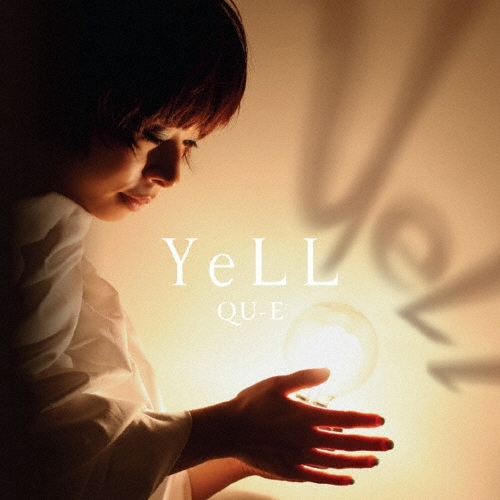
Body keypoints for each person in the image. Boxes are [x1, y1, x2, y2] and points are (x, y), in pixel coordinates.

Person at [8, 1, 393, 499]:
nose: (170, 173)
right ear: (61, 95)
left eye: (189, 144)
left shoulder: (53, 244)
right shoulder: (21, 261)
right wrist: (228, 428)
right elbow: (38, 474)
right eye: (153, 134)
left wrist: (242, 451)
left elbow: (131, 480)